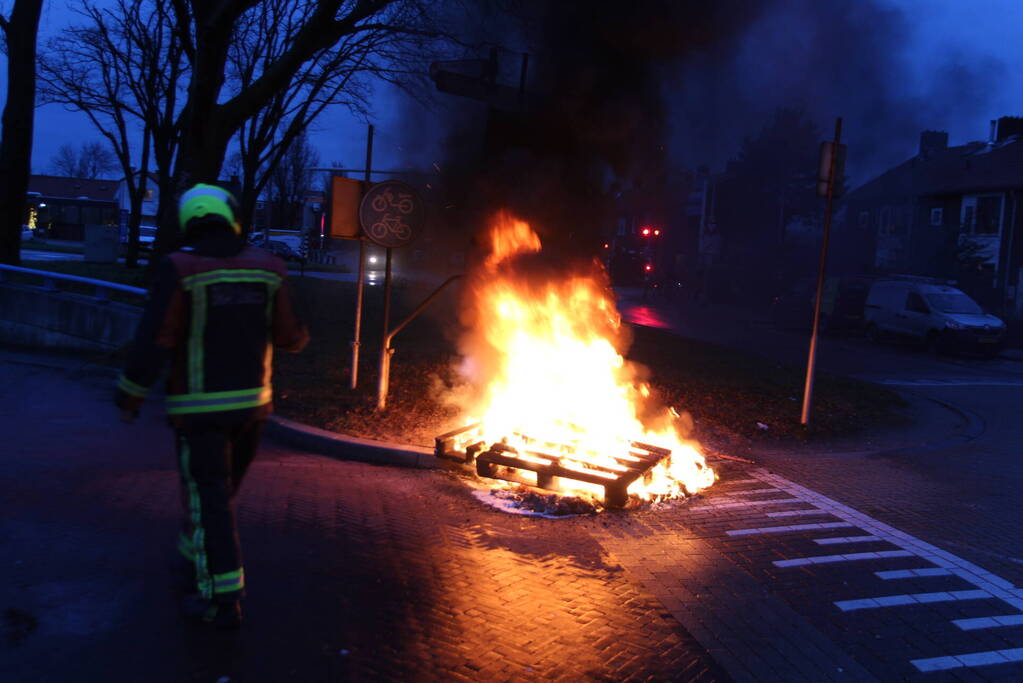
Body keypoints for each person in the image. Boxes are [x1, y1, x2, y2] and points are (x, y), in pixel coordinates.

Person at [114, 183, 309, 629]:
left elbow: (156, 337)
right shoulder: (269, 267)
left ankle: (221, 600)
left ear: (188, 222)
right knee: (216, 498)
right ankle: (189, 560)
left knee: (211, 500)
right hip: (252, 411)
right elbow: (290, 336)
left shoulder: (180, 268)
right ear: (232, 216)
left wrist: (130, 392)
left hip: (200, 411)